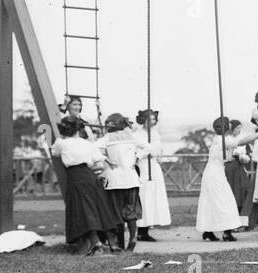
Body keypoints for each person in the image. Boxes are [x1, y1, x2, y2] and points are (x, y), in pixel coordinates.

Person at [52, 115, 121, 256]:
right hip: (90, 175)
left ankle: (96, 243)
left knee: (83, 210)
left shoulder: (61, 142)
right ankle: (113, 244)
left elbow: (54, 152)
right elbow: (100, 163)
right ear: (79, 129)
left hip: (75, 176)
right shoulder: (88, 143)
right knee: (99, 207)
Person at [196, 117, 258, 241]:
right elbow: (242, 141)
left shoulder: (218, 139)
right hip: (216, 173)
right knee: (226, 201)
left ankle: (208, 231)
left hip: (212, 172)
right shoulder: (223, 140)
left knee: (212, 201)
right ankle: (226, 232)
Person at [96, 113, 149, 252]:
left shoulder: (107, 138)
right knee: (131, 209)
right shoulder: (131, 136)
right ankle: (133, 237)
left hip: (114, 179)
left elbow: (92, 150)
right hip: (131, 178)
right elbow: (148, 147)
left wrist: (106, 160)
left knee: (114, 211)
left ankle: (116, 243)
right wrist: (137, 157)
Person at [133, 109, 172, 240]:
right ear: (143, 119)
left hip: (154, 165)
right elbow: (138, 149)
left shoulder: (155, 132)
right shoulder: (138, 134)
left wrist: (158, 154)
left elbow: (158, 148)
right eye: (150, 119)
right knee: (145, 196)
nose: (152, 122)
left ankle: (147, 228)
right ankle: (141, 229)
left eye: (154, 119)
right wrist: (145, 153)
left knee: (154, 196)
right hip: (144, 165)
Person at [224, 119, 255, 226]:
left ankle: (239, 220)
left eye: (240, 128)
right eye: (237, 128)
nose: (239, 131)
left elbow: (243, 156)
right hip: (230, 168)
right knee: (232, 191)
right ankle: (231, 220)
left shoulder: (239, 140)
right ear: (231, 128)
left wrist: (244, 157)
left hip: (239, 168)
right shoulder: (228, 139)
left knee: (241, 192)